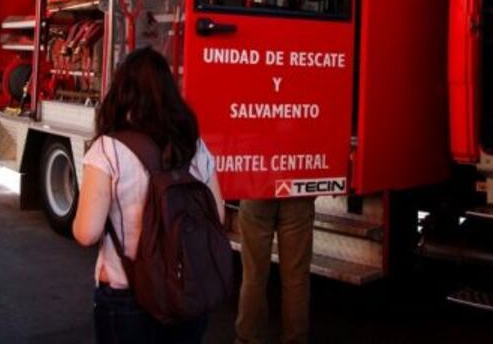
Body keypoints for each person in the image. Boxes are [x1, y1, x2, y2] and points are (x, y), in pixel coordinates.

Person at [72, 47, 224, 344]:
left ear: (121, 91)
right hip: (186, 292)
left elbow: (86, 233)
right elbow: (216, 216)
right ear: (171, 91)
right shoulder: (195, 146)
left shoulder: (108, 149)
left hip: (126, 295)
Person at [236, 196, 315, 344]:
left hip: (256, 193)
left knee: (253, 276)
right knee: (296, 278)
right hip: (297, 193)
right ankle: (295, 339)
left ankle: (248, 338)